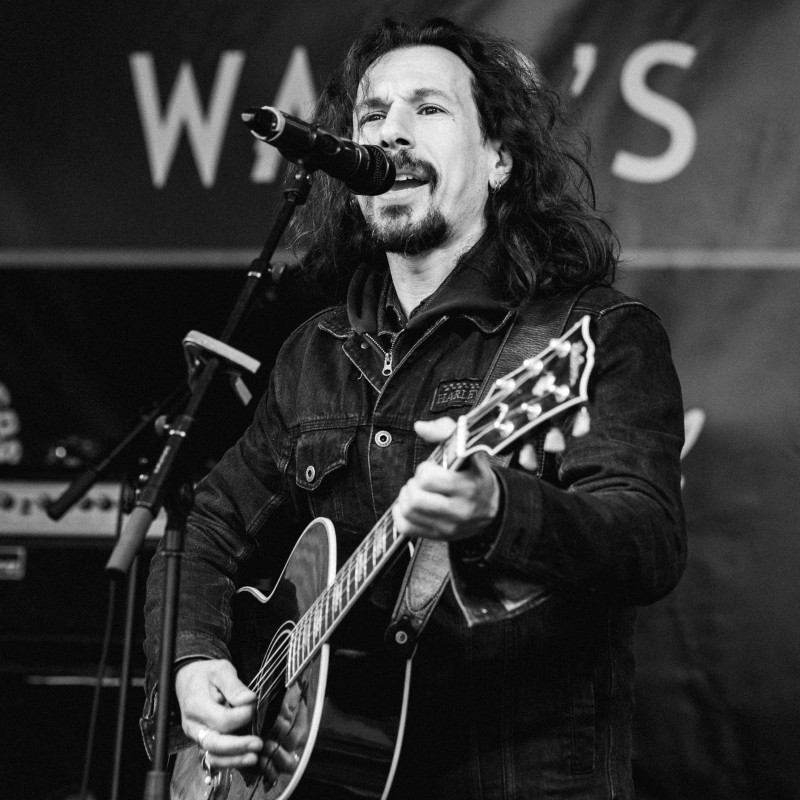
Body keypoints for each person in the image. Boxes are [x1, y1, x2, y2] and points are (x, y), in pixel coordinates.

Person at [142, 16, 686, 800]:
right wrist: (195, 666)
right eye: (372, 114)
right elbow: (206, 524)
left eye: (428, 109)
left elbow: (648, 540)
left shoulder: (590, 335)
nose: (390, 133)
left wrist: (500, 509)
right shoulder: (316, 352)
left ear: (499, 159)